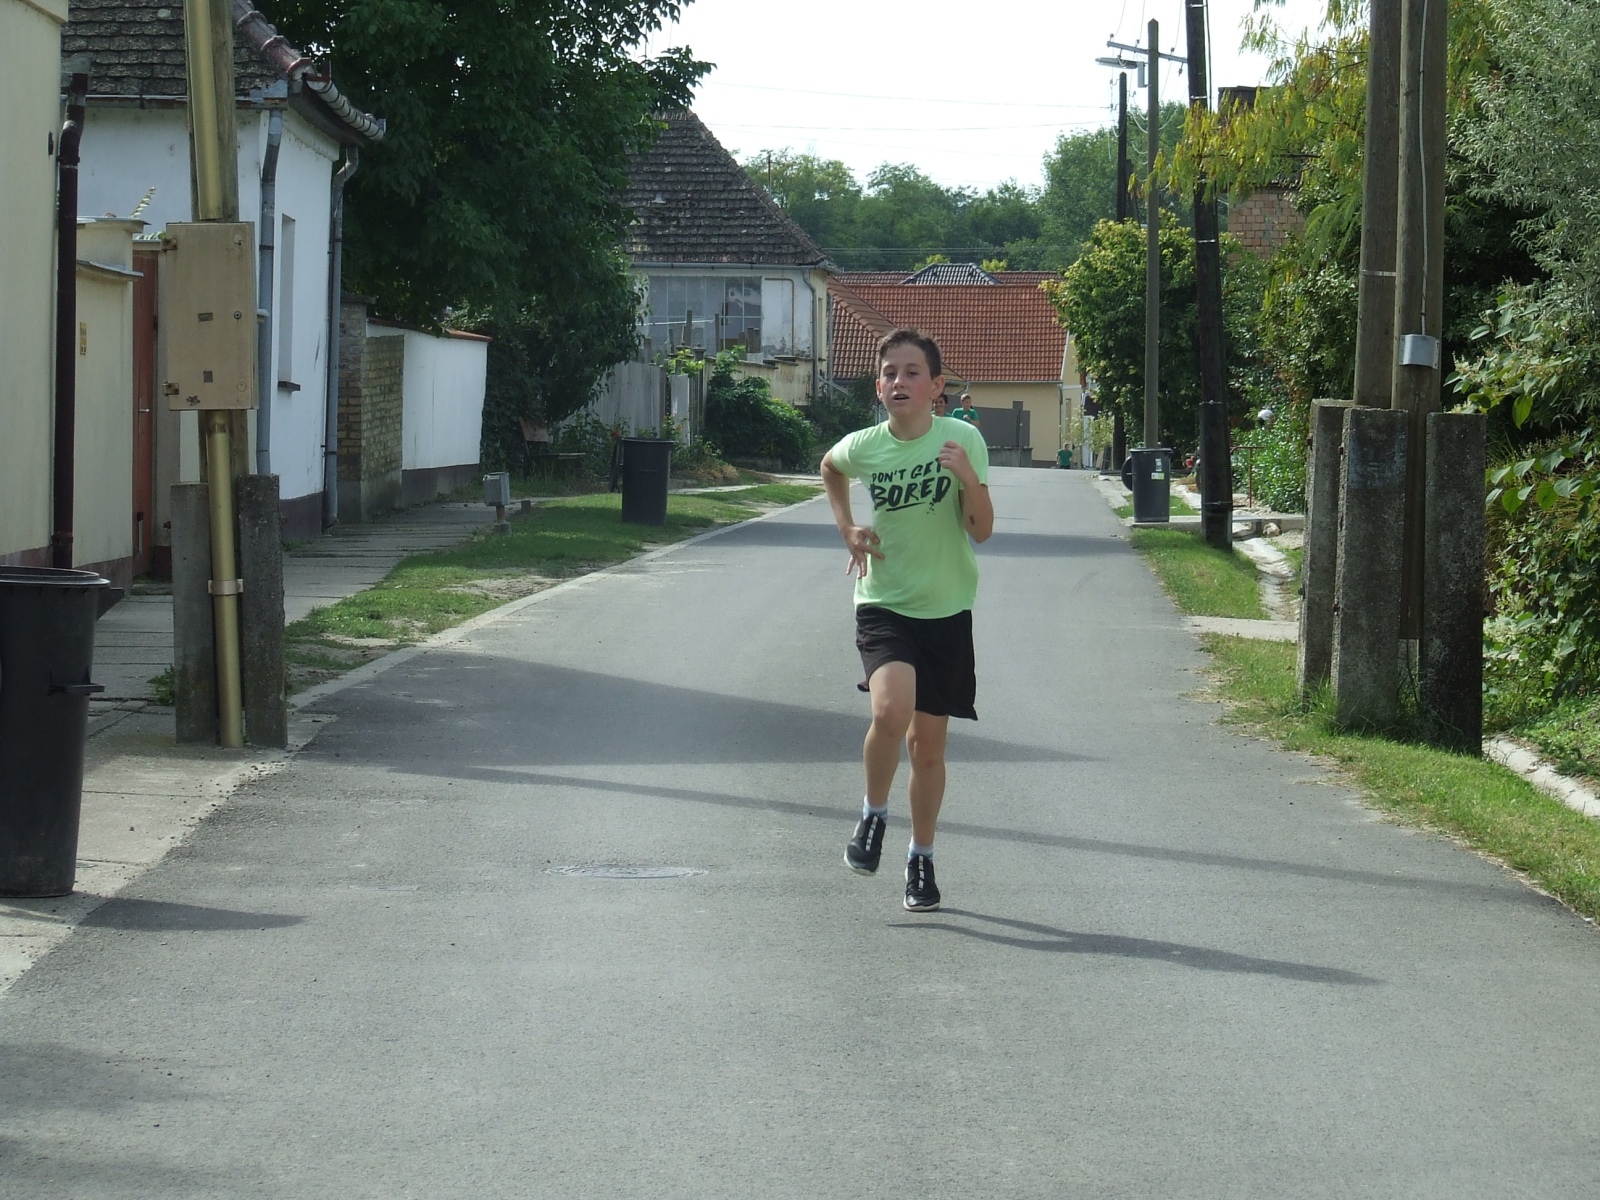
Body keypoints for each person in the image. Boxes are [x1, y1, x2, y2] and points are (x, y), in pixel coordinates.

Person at [820, 328, 994, 912]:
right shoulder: (866, 445)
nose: (900, 381)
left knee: (927, 749)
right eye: (890, 373)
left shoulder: (962, 439)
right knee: (890, 710)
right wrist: (847, 526)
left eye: (912, 372)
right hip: (884, 599)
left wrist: (967, 478)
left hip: (946, 608)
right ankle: (873, 815)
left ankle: (922, 858)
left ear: (936, 386)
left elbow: (981, 530)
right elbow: (830, 467)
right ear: (879, 388)